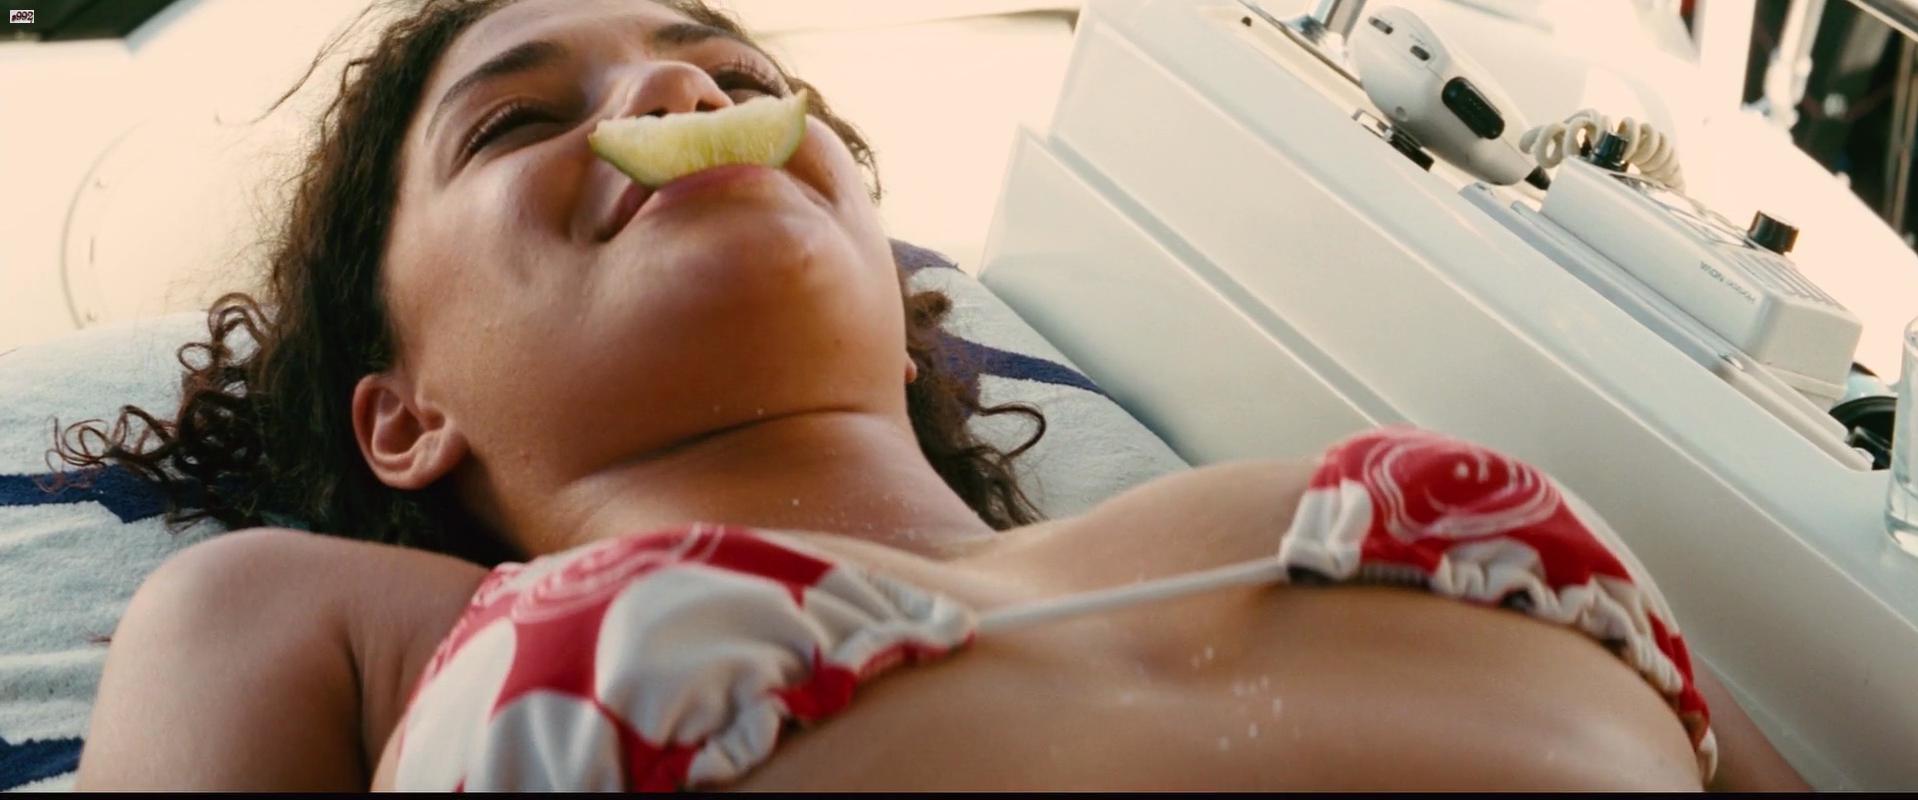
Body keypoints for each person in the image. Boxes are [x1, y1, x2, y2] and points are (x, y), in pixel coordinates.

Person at [59, 0, 1809, 790]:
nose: (676, 92)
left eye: (734, 75)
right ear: (403, 415)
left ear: (904, 316)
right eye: (518, 120)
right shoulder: (318, 625)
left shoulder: (1398, 507)